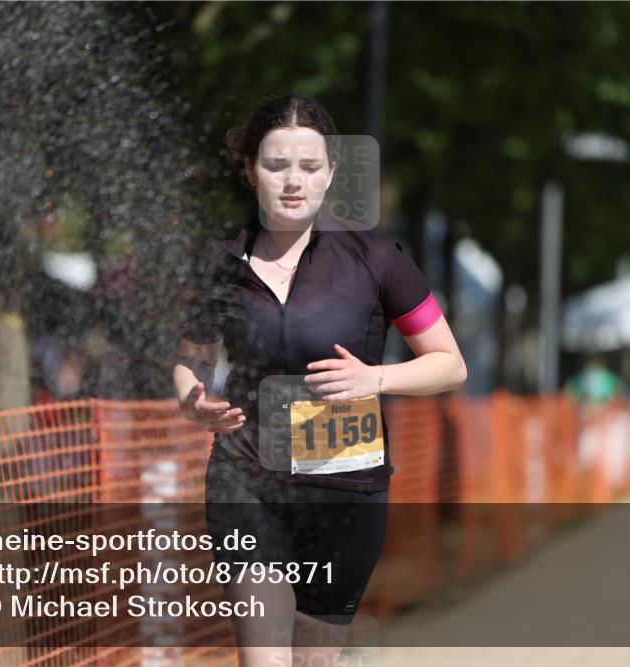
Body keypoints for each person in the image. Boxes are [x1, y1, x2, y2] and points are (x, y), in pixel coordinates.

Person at [172, 93, 467, 667]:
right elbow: (195, 361)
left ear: (332, 172)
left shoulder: (377, 260)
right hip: (247, 478)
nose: (292, 181)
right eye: (276, 165)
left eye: (309, 167)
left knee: (314, 658)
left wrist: (374, 377)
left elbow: (449, 363)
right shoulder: (219, 266)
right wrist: (192, 399)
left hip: (343, 488)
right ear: (250, 169)